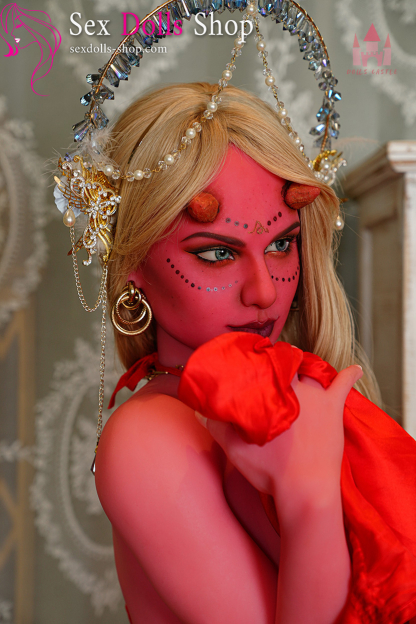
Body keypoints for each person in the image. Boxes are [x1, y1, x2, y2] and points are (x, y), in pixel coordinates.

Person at [93, 82, 416, 624]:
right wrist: (308, 497)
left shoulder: (296, 390)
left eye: (281, 244)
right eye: (216, 253)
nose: (264, 291)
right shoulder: (147, 436)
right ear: (133, 265)